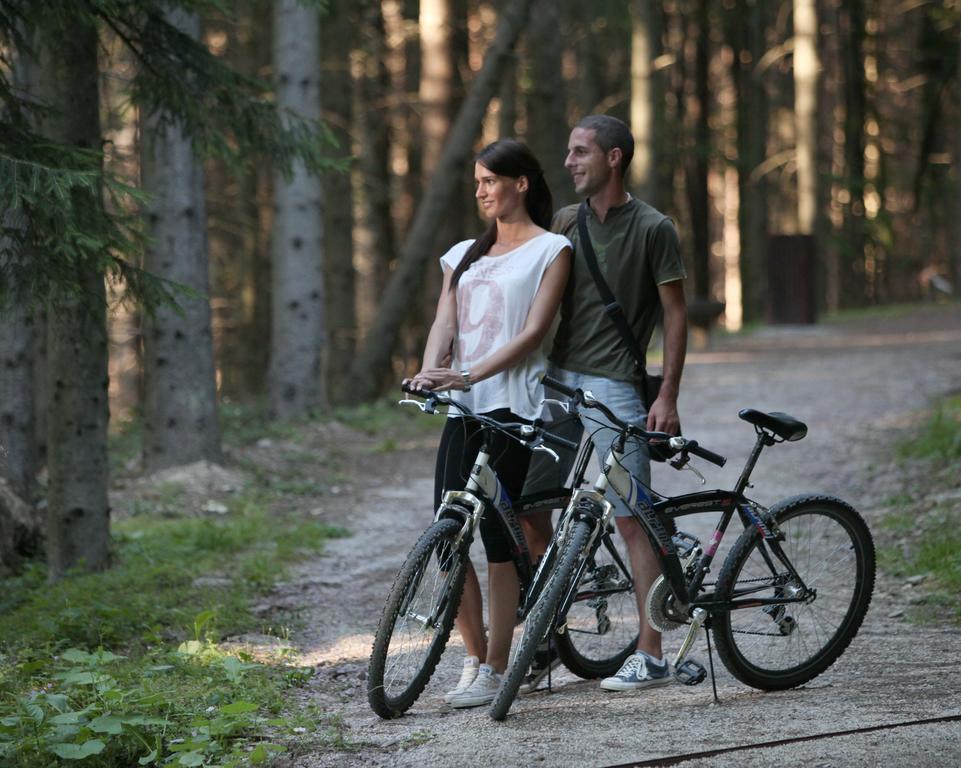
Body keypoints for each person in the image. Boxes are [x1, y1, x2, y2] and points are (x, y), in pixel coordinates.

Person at [523, 114, 688, 693]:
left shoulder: (653, 228)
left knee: (632, 522)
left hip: (617, 388)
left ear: (613, 158)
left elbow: (674, 313)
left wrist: (665, 393)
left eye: (579, 152)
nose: (568, 162)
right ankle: (544, 635)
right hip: (558, 384)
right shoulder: (566, 221)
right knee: (530, 503)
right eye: (568, 152)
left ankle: (652, 653)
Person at [405, 138, 571, 708]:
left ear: (520, 183)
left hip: (513, 408)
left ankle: (499, 667)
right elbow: (443, 321)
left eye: (489, 181)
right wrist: (432, 372)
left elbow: (532, 334)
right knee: (448, 534)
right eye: (476, 182)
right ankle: (472, 659)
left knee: (501, 543)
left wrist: (470, 373)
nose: (480, 192)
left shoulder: (552, 249)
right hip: (465, 409)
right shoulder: (461, 254)